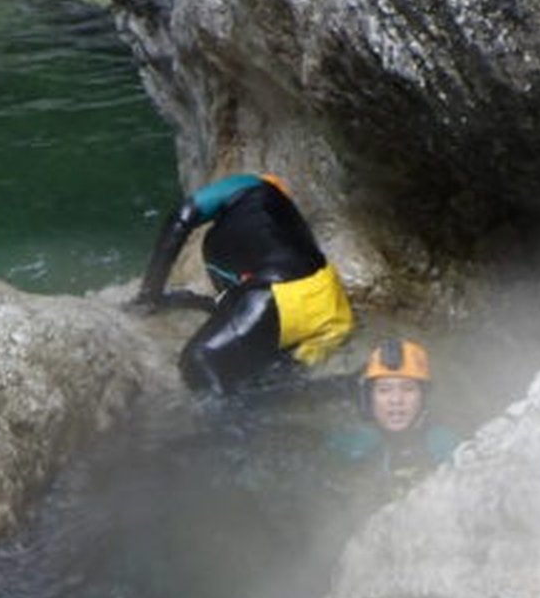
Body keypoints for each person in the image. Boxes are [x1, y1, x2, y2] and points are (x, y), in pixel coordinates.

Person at [133, 171, 353, 393]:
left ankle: (229, 425)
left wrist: (150, 294)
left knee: (199, 361)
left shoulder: (247, 184)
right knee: (267, 383)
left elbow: (181, 217)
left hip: (281, 297)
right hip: (332, 313)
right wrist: (201, 302)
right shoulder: (286, 220)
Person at [341, 336, 460, 479]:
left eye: (408, 389)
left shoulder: (444, 445)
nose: (396, 399)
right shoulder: (349, 445)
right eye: (384, 390)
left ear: (423, 397)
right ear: (369, 398)